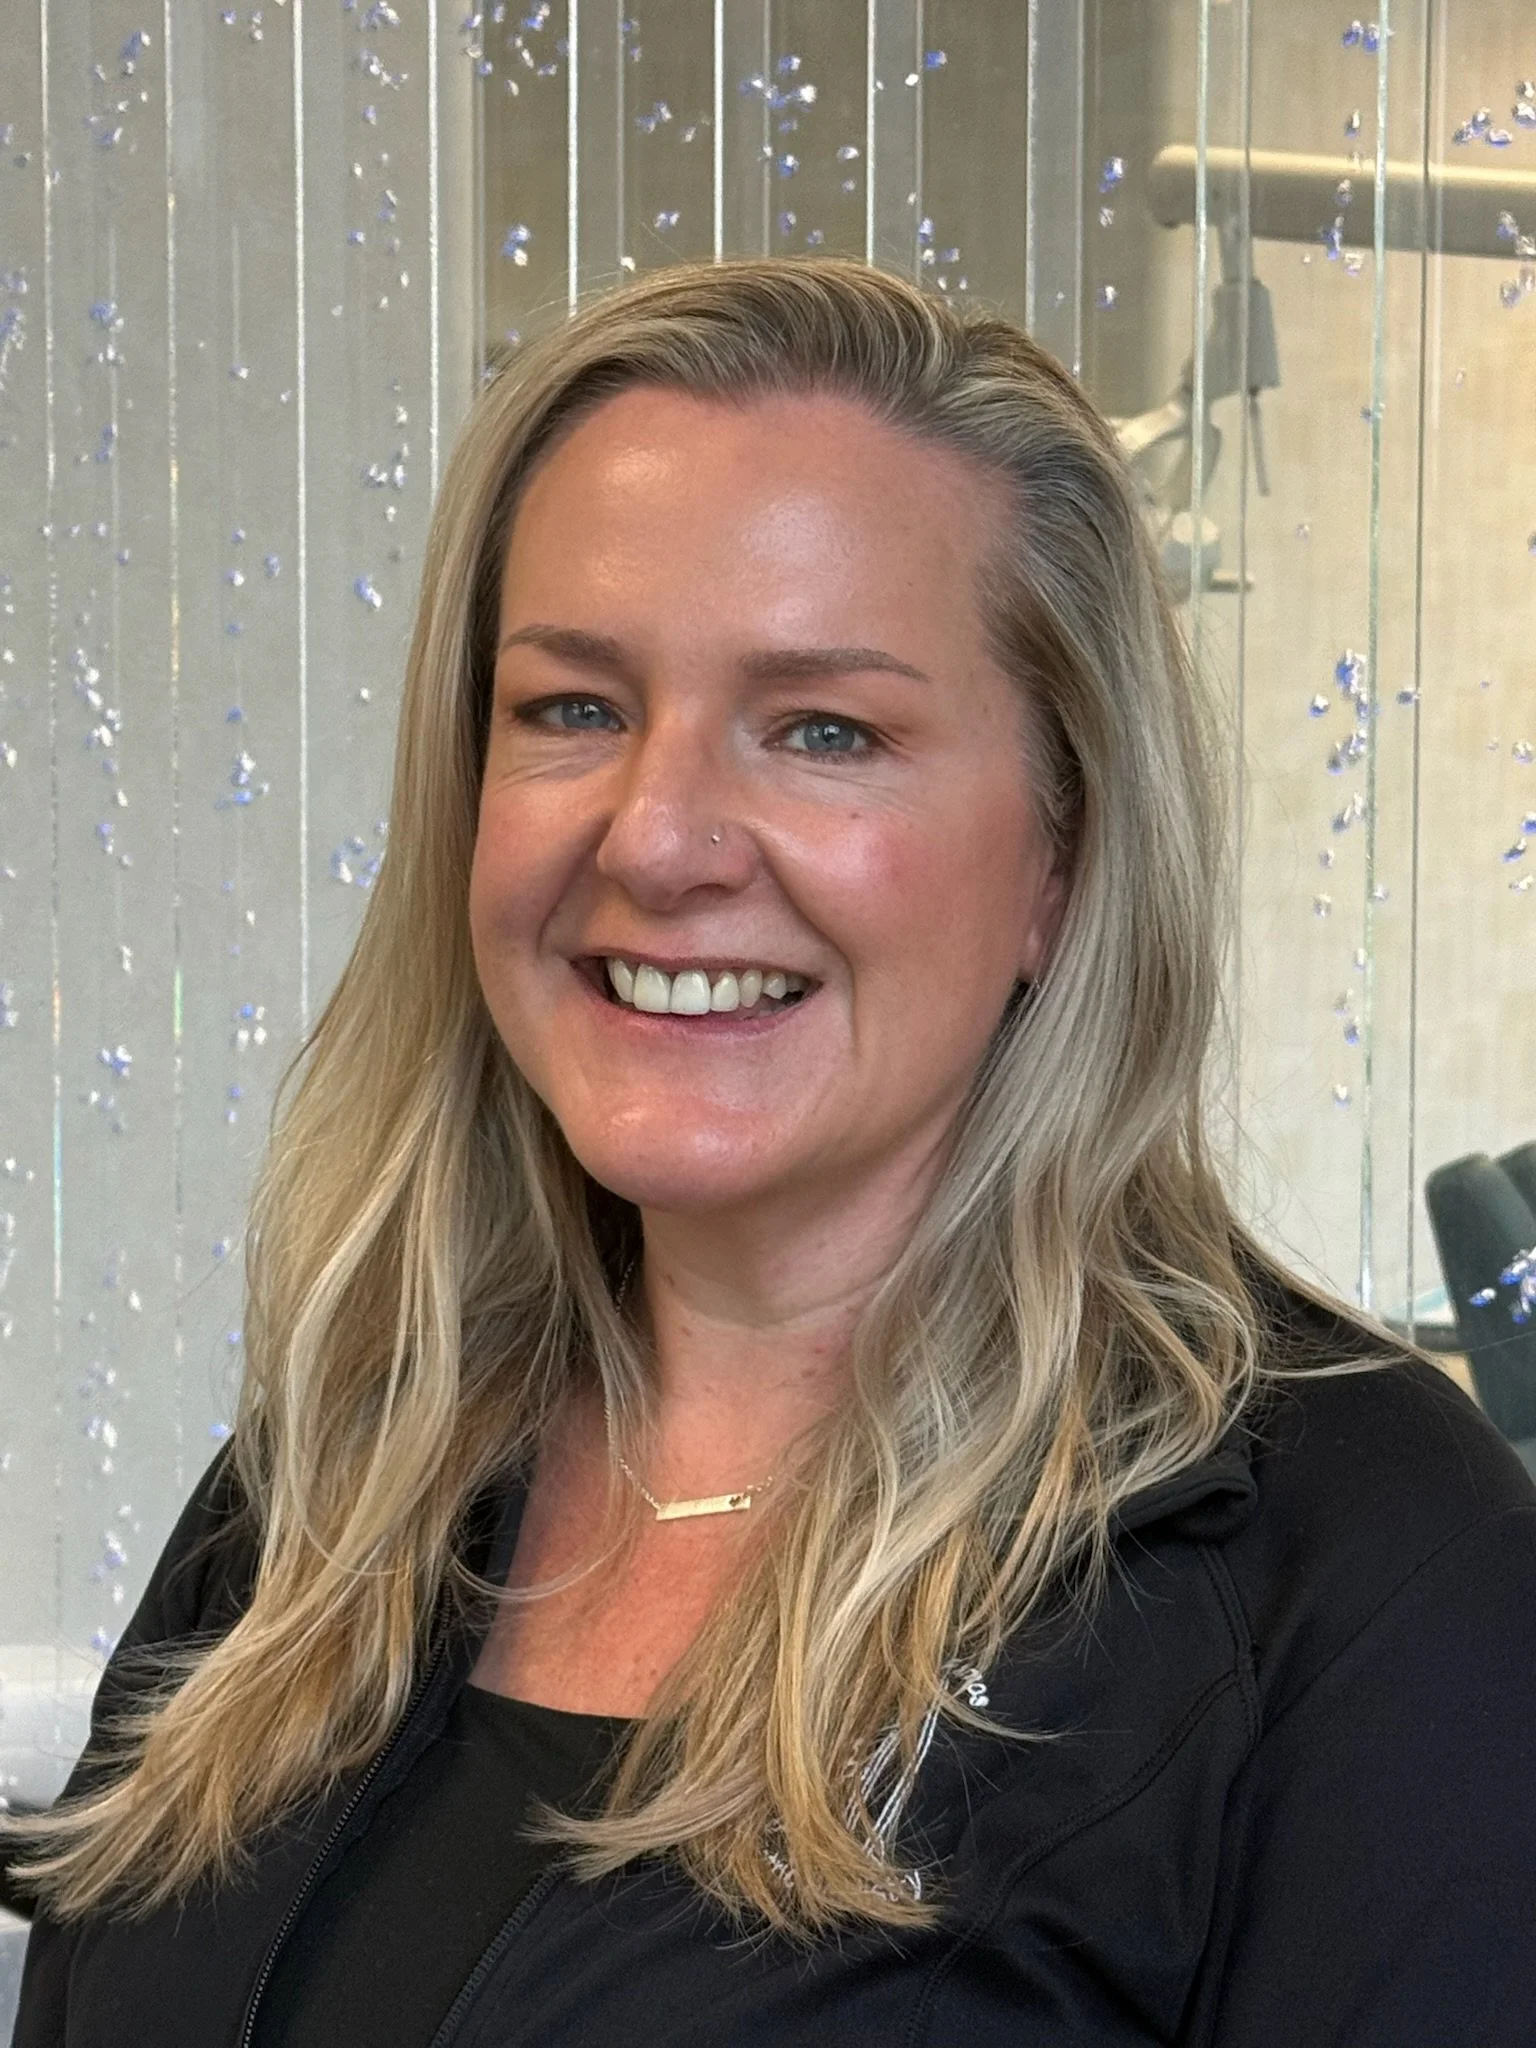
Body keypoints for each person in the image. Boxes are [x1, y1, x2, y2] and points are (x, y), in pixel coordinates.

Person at [7, 254, 1536, 2047]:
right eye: (572, 708)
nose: (657, 837)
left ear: (1063, 851)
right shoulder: (342, 1480)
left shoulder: (1370, 1587)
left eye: (826, 730)